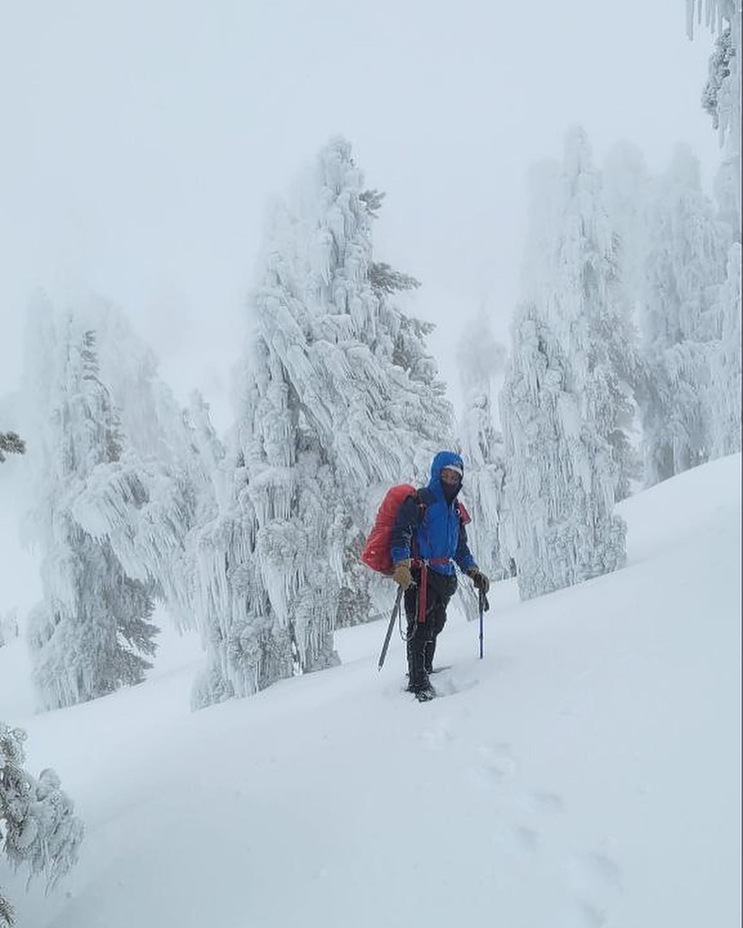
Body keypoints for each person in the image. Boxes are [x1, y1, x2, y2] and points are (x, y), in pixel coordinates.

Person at [389, 450, 490, 700]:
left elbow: (460, 548)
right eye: (445, 474)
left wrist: (472, 570)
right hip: (418, 575)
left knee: (436, 625)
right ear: (437, 473)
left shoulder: (455, 510)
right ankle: (418, 683)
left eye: (454, 476)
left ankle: (427, 668)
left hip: (444, 576)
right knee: (419, 628)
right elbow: (401, 532)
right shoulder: (421, 500)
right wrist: (401, 564)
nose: (449, 480)